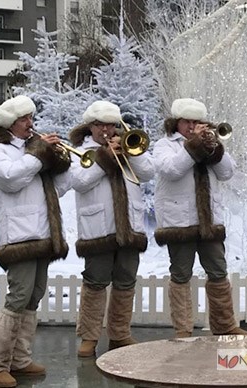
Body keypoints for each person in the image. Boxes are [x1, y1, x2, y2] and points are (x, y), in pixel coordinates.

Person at [0, 95, 71, 387]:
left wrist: (62, 162)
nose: (30, 124)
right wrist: (39, 152)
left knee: (34, 295)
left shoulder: (32, 151)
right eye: (24, 120)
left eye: (31, 118)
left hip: (43, 232)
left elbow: (60, 188)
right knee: (18, 296)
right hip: (17, 234)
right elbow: (11, 178)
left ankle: (19, 359)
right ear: (10, 124)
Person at [152, 98, 247, 338]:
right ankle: (183, 329)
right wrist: (194, 145)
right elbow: (172, 170)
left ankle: (225, 325)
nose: (192, 126)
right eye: (187, 122)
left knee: (218, 272)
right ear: (177, 123)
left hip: (211, 222)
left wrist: (214, 146)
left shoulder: (209, 144)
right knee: (181, 274)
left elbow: (227, 172)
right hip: (179, 222)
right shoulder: (165, 145)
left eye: (198, 122)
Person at [68, 101, 155, 357]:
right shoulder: (82, 151)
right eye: (100, 124)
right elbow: (79, 181)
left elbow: (149, 172)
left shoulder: (128, 143)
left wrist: (131, 154)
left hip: (130, 225)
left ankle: (119, 334)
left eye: (110, 124)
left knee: (126, 282)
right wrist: (105, 157)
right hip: (98, 227)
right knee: (95, 282)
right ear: (90, 127)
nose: (106, 129)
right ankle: (89, 337)